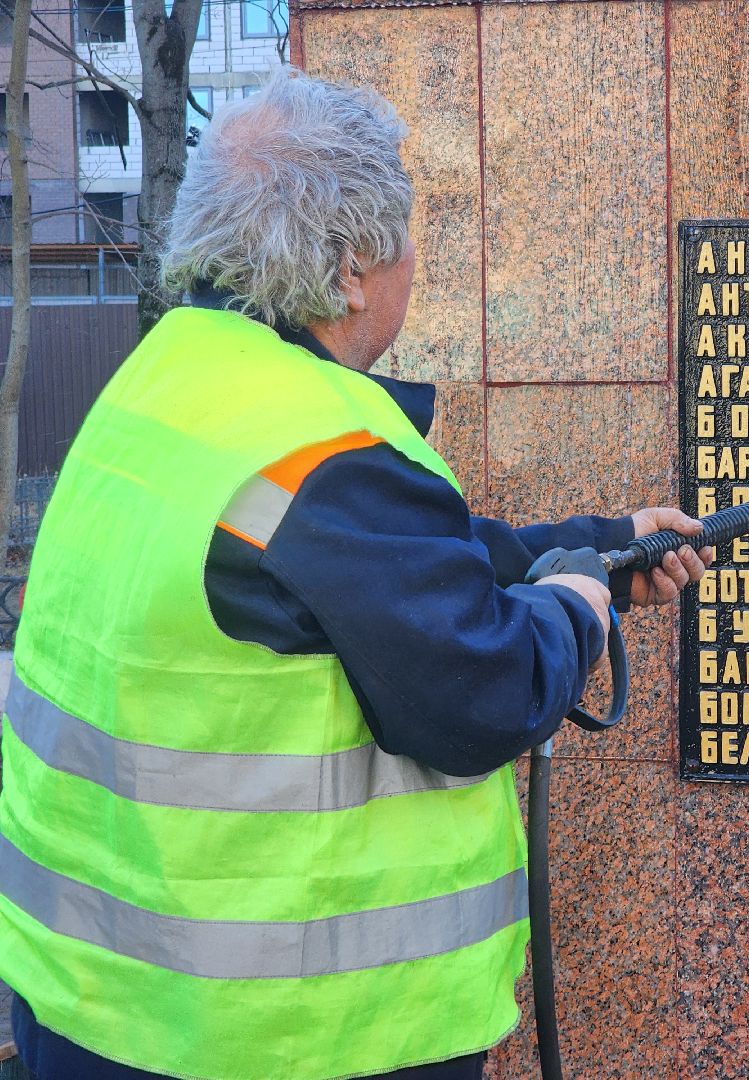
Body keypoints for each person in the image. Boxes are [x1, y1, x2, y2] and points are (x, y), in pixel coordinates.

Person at [0, 68, 709, 1080]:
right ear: (347, 271)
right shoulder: (324, 447)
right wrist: (574, 608)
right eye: (410, 235)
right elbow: (484, 690)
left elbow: (364, 572)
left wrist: (598, 540)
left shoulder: (168, 382)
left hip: (88, 1003)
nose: (419, 259)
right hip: (283, 1037)